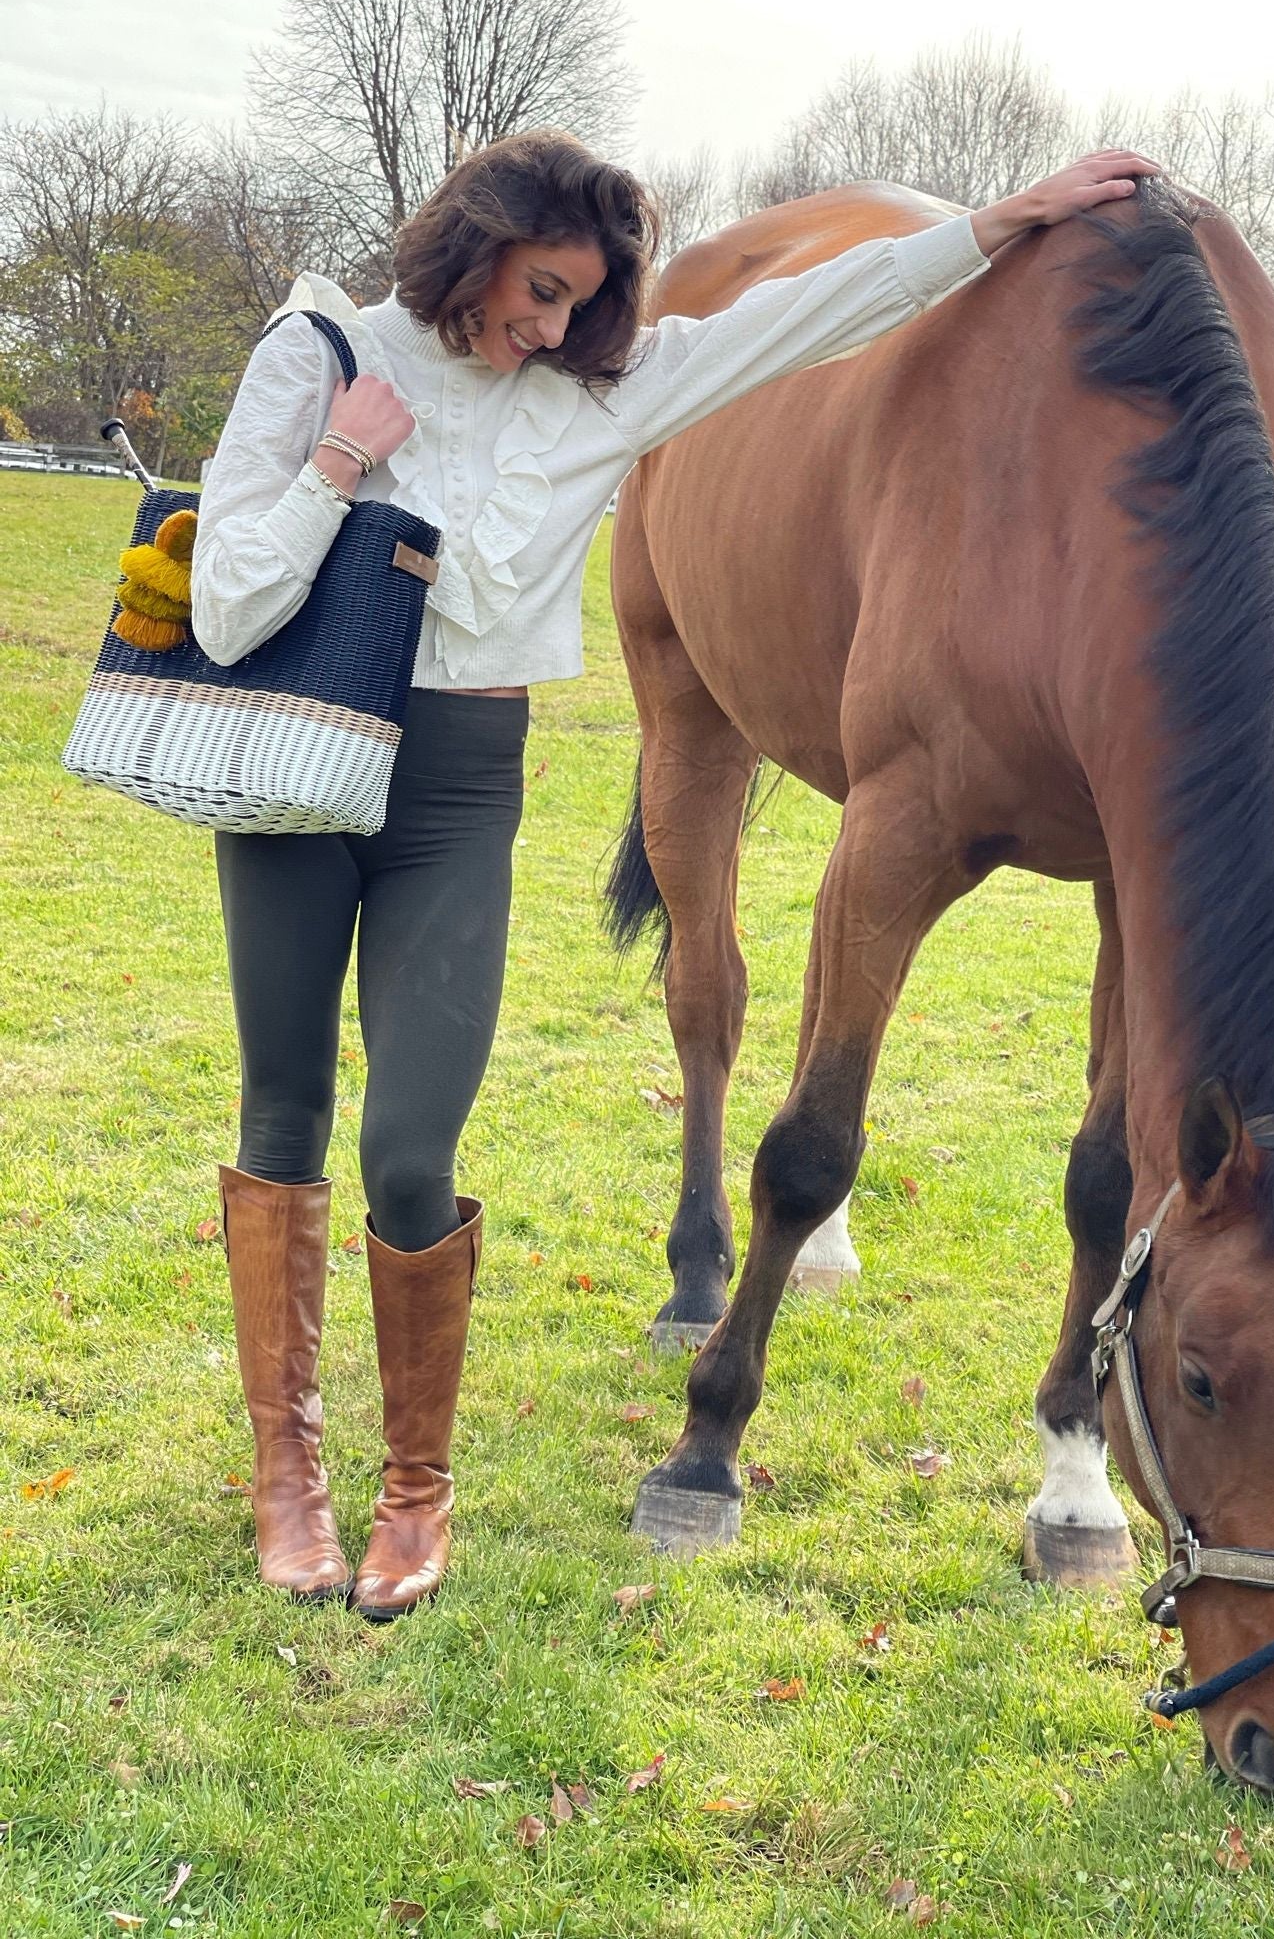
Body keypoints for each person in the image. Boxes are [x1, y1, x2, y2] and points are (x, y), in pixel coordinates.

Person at [192, 130, 1159, 1620]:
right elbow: (227, 603)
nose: (556, 327)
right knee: (284, 1112)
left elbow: (814, 313)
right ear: (476, 244)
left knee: (407, 1149)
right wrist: (338, 460)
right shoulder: (322, 351)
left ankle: (413, 1492)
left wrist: (1006, 220)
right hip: (301, 762)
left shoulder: (606, 389)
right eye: (541, 290)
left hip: (459, 783)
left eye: (584, 304)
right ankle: (288, 1483)